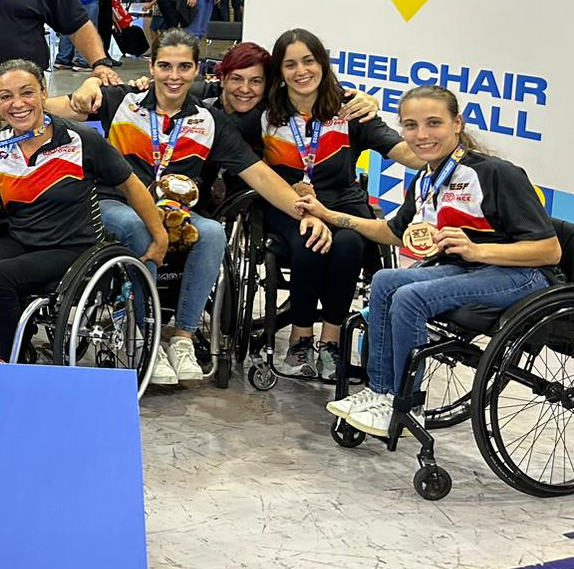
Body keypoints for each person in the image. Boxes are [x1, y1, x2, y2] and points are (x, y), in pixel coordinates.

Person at [65, 29, 335, 386]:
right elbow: (49, 109)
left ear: (196, 72)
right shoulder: (122, 101)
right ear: (152, 66)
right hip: (116, 204)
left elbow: (262, 177)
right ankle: (148, 334)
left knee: (211, 231)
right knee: (138, 226)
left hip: (174, 210)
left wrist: (310, 213)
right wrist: (85, 86)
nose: (173, 76)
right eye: (165, 66)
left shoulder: (208, 121)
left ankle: (182, 338)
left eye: (183, 67)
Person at [306, 85, 562, 438]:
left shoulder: (495, 173)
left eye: (433, 123)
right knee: (384, 280)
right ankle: (380, 393)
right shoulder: (428, 179)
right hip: (469, 269)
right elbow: (393, 232)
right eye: (410, 126)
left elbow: (549, 250)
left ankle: (406, 403)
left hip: (522, 275)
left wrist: (476, 251)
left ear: (456, 124)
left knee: (411, 298)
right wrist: (330, 215)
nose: (421, 135)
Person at [0, 58, 167, 361]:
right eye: (6, 96)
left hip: (73, 246)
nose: (17, 104)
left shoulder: (80, 139)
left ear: (43, 92)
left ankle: (18, 360)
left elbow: (130, 185)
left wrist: (160, 237)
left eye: (26, 93)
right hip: (23, 239)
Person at [261, 28, 419, 378]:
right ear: (279, 71)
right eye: (290, 64)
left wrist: (446, 154)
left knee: (349, 243)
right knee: (309, 242)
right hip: (290, 204)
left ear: (322, 63)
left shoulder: (349, 109)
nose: (301, 71)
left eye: (309, 61)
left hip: (343, 203)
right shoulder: (265, 109)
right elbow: (223, 95)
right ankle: (300, 339)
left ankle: (331, 342)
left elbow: (401, 151)